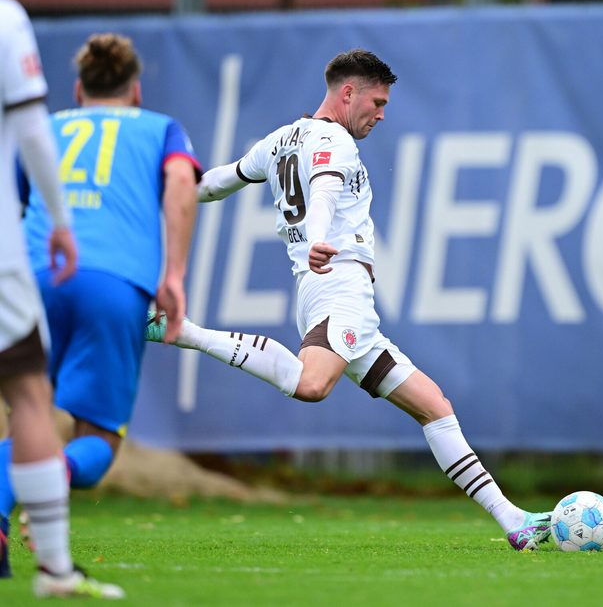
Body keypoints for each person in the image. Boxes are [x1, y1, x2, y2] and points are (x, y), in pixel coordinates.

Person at [146, 48, 552, 551]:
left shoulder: (278, 139)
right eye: (377, 102)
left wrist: (164, 191)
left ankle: (512, 519)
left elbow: (213, 183)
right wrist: (318, 236)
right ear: (347, 93)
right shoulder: (335, 141)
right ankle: (184, 331)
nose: (381, 114)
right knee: (311, 384)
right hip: (338, 285)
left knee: (434, 407)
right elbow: (324, 190)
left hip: (329, 293)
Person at [0, 32, 199, 577]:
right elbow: (182, 178)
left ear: (77, 89)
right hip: (112, 281)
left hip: (37, 275)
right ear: (135, 90)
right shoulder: (160, 127)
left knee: (29, 408)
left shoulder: (48, 127)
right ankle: (54, 474)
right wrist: (174, 275)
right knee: (99, 442)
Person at [0, 0, 124, 599]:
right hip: (16, 259)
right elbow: (30, 131)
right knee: (28, 394)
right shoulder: (5, 19)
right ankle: (53, 570)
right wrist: (61, 219)